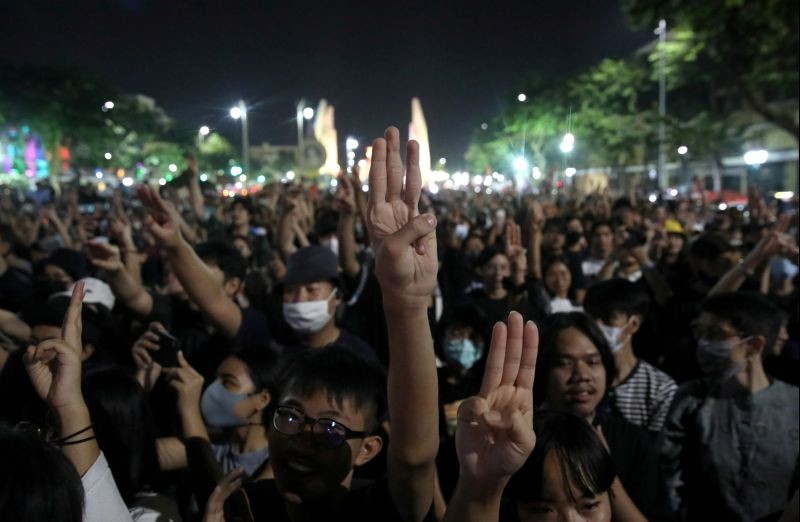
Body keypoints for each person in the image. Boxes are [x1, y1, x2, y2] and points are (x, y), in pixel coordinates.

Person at [205, 126, 440, 522]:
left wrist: (408, 305)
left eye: (331, 429)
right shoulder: (245, 508)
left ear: (368, 449)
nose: (301, 441)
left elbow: (415, 458)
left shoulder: (376, 510)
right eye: (291, 417)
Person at [660, 291, 800, 521]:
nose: (703, 343)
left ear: (754, 345)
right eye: (700, 332)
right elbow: (667, 478)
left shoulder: (794, 404)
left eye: (716, 334)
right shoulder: (692, 399)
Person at [533, 312, 673, 520]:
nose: (582, 375)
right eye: (564, 363)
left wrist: (607, 475)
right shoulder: (522, 441)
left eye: (593, 362)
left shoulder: (631, 440)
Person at [583, 278, 677, 432]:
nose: (596, 327)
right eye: (591, 317)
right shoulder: (578, 378)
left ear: (634, 324)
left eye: (609, 318)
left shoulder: (660, 388)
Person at [277, 245, 377, 363]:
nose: (300, 298)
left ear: (337, 296)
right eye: (290, 290)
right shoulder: (282, 358)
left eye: (311, 289)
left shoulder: (359, 356)